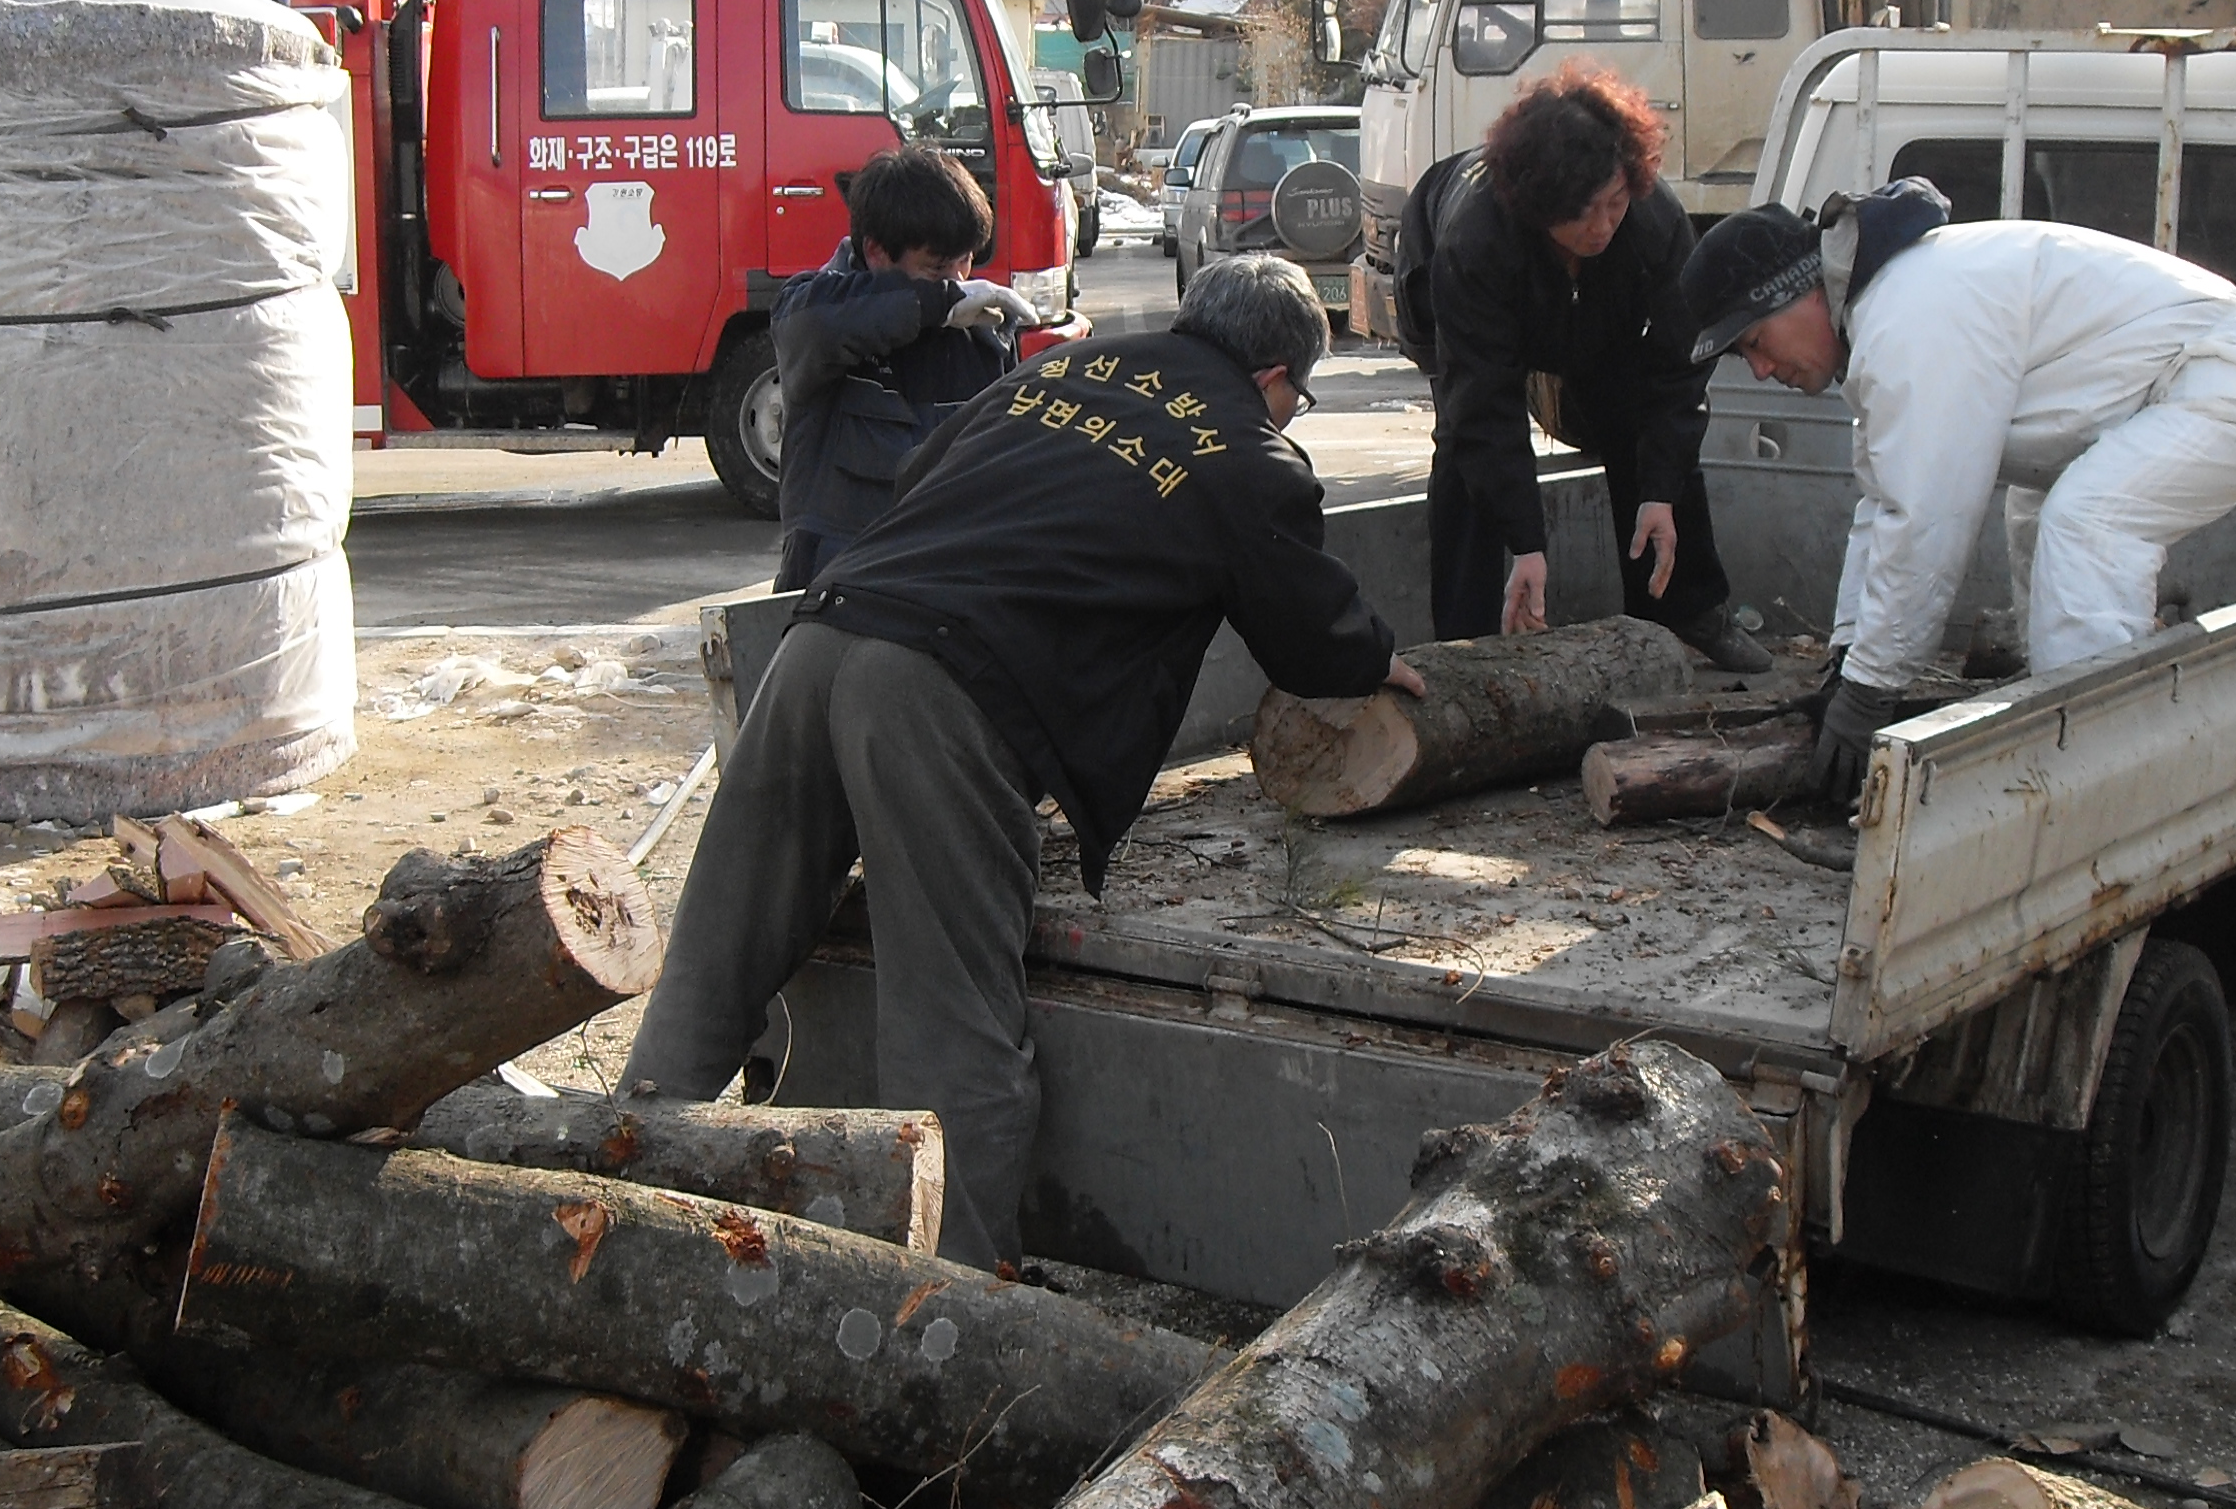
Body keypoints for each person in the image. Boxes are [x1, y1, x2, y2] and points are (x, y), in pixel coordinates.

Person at [623, 256, 1421, 1268]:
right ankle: (945, 1299)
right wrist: (1375, 657)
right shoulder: (1247, 452)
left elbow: (919, 475)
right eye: (1297, 398)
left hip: (818, 640)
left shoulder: (1052, 373)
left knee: (715, 951)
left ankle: (614, 1203)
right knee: (951, 1021)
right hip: (938, 694)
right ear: (1274, 377)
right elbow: (1306, 633)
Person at [1684, 179, 2236, 806]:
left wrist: (1869, 690)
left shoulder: (1910, 316)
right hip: (2193, 375)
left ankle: (2101, 787)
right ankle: (2065, 715)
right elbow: (1883, 503)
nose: (1762, 370)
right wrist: (1847, 662)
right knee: (2037, 513)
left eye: (1756, 341)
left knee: (2086, 523)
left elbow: (1926, 519)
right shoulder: (1888, 313)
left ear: (1799, 291)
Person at [1418, 62, 1771, 671]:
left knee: (1645, 422)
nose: (1603, 225)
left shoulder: (1653, 219)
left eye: (1615, 203)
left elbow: (1679, 366)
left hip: (1599, 316)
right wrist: (1527, 545)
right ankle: (1462, 643)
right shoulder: (1473, 242)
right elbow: (1485, 406)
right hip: (1477, 300)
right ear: (1541, 206)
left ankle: (1686, 608)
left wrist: (1659, 491)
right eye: (1584, 212)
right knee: (1463, 445)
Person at [769, 144, 1036, 591]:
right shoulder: (816, 313)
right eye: (937, 267)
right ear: (877, 252)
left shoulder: (982, 334)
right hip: (842, 582)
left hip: (945, 577)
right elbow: (814, 325)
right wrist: (934, 305)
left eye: (966, 261)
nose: (958, 281)